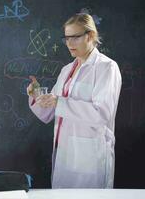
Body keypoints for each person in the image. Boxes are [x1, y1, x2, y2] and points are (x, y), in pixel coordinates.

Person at [27, 13, 122, 188]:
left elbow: (101, 114)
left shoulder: (106, 67)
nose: (69, 44)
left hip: (90, 158)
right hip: (65, 155)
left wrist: (59, 102)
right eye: (66, 38)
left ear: (90, 36)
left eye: (75, 38)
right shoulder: (66, 70)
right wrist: (36, 96)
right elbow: (48, 113)